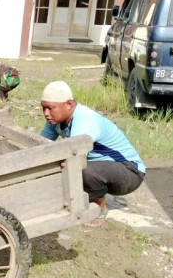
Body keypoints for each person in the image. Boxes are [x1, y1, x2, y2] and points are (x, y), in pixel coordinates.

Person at [39, 80, 145, 227]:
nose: (46, 113)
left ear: (68, 104)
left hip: (130, 172)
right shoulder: (55, 121)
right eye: (43, 108)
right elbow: (42, 147)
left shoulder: (84, 120)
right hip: (103, 169)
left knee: (81, 170)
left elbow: (73, 157)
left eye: (50, 108)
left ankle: (98, 207)